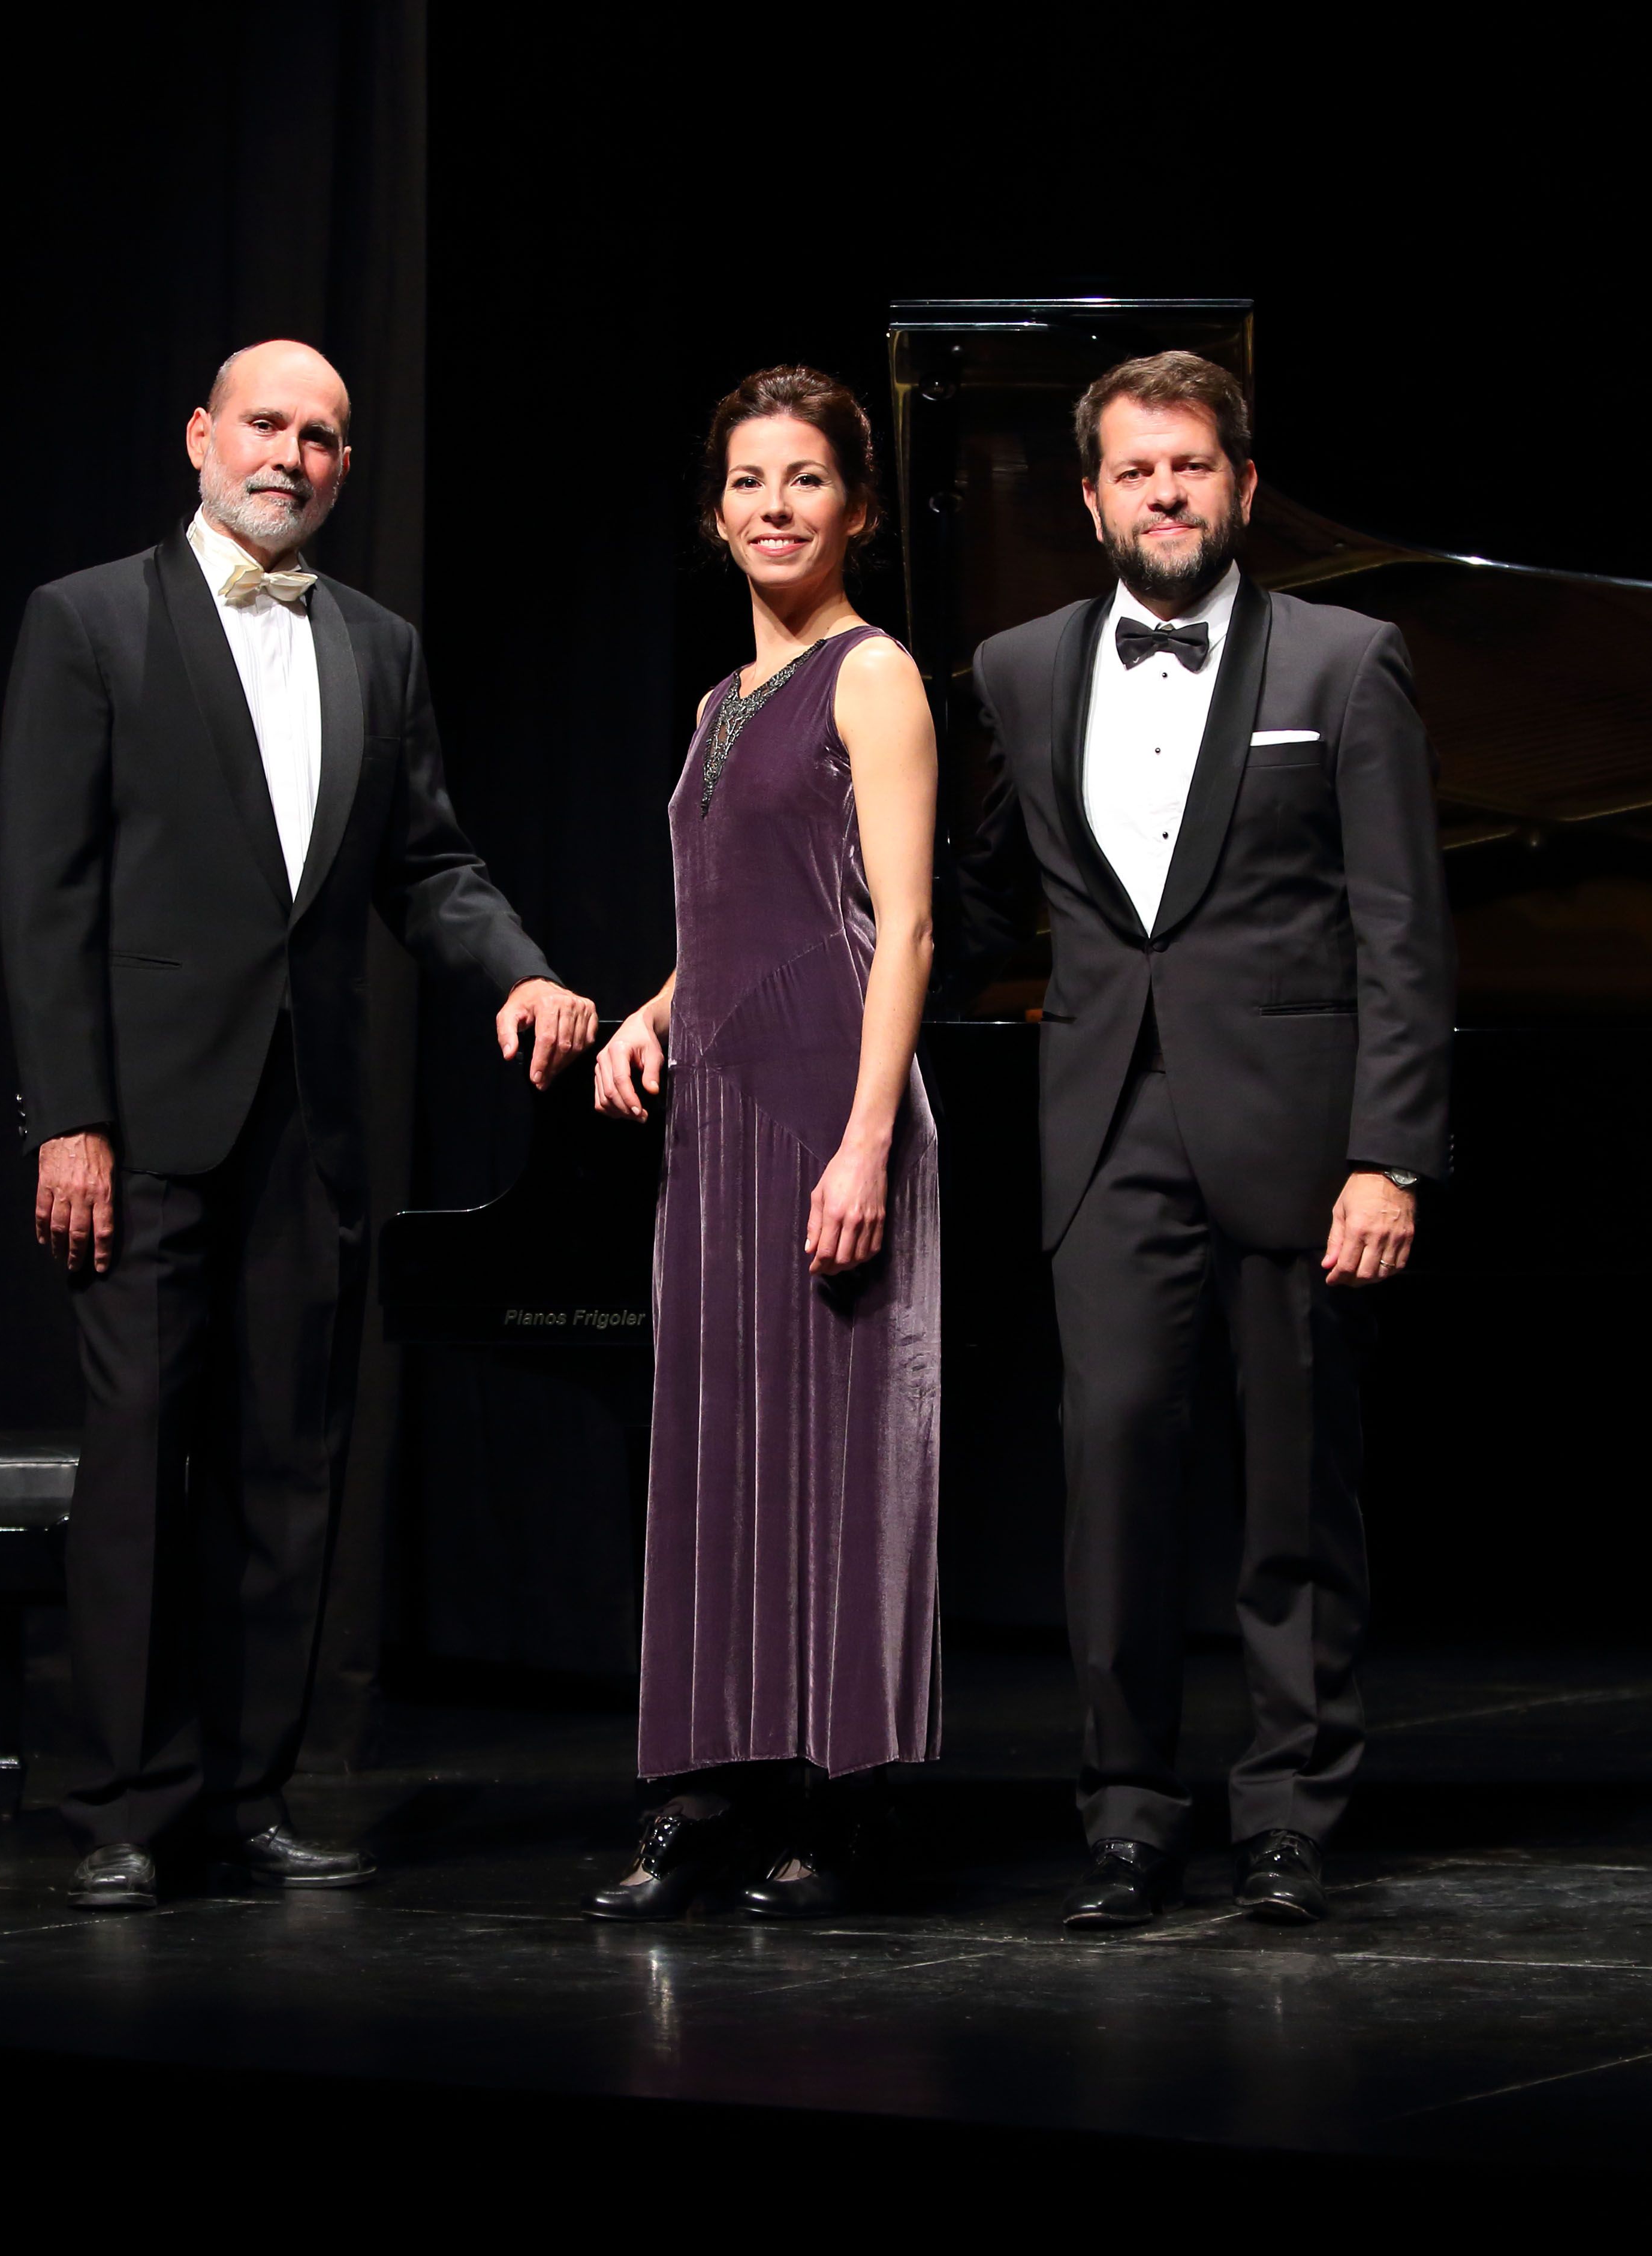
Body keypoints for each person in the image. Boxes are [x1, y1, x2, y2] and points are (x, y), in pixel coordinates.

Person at [0, 339, 598, 1909]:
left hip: (309, 1125)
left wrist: (520, 976)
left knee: (287, 1464)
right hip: (136, 1120)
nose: (295, 454)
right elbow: (44, 898)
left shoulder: (379, 648)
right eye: (268, 423)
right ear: (200, 436)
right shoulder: (88, 622)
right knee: (139, 1459)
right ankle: (132, 1803)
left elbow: (431, 867)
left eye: (324, 436)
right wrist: (70, 1115)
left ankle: (250, 1793)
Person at [947, 351, 1454, 1932]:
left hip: (1302, 1138)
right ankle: (1125, 1809)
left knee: (1297, 1487)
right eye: (1135, 469)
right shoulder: (1016, 669)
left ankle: (1292, 1810)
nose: (1165, 491)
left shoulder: (1345, 661)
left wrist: (1393, 1152)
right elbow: (964, 903)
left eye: (1193, 465)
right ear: (1092, 499)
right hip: (1105, 1125)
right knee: (1111, 1475)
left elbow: (1404, 930)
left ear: (1243, 483)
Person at [587, 368, 942, 1918]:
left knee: (839, 1466)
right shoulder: (718, 707)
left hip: (830, 1101)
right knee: (716, 1463)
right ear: (715, 510)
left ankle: (836, 1807)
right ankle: (703, 1793)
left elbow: (906, 921)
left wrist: (866, 1141)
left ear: (855, 506)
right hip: (721, 1115)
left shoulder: (877, 676)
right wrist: (651, 1008)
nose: (775, 507)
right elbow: (739, 912)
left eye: (806, 479)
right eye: (748, 480)